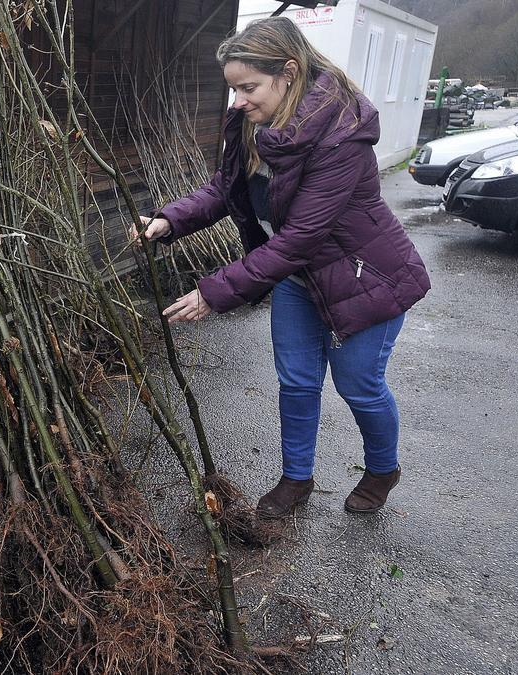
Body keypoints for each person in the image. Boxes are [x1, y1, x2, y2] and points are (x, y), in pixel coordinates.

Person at [136, 17, 431, 519]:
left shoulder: (342, 137)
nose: (239, 101)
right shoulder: (254, 124)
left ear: (288, 72)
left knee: (359, 384)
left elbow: (299, 238)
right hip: (298, 279)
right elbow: (225, 188)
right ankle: (297, 478)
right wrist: (169, 219)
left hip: (365, 279)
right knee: (296, 382)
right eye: (234, 89)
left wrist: (215, 291)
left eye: (248, 87)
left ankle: (383, 468)